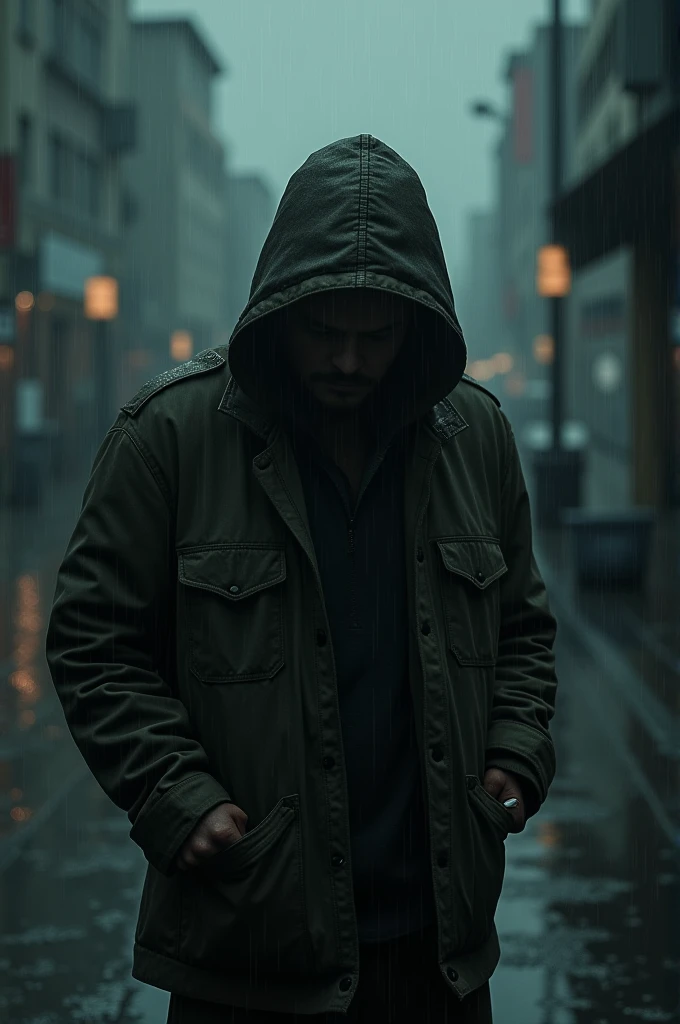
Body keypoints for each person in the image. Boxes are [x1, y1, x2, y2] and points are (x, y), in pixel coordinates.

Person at [45, 135, 558, 1023]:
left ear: (416, 327)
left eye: (376, 336)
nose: (349, 361)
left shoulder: (474, 438)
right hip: (247, 947)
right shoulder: (170, 437)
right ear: (280, 309)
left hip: (440, 956)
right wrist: (175, 793)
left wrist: (515, 751)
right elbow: (95, 645)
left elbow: (523, 629)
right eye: (326, 331)